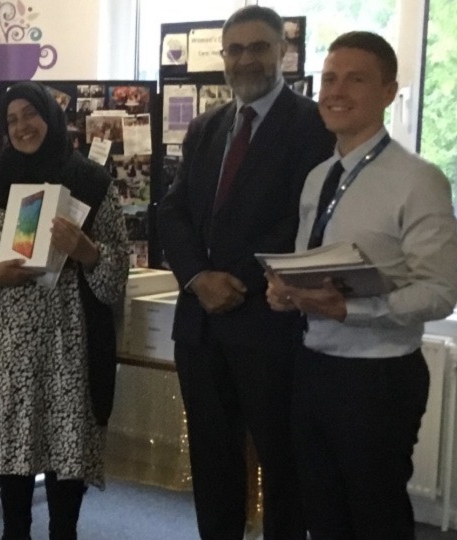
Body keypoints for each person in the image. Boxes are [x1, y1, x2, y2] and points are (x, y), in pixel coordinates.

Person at [266, 32, 457, 537]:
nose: (337, 90)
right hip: (311, 367)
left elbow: (439, 291)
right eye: (329, 78)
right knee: (322, 515)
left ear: (389, 91)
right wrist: (287, 292)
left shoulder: (419, 179)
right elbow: (317, 266)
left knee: (375, 519)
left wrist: (352, 311)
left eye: (356, 79)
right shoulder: (318, 177)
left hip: (377, 379)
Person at [156, 6, 334, 538]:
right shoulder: (208, 126)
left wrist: (238, 282)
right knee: (212, 465)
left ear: (283, 51)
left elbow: (304, 223)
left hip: (269, 326)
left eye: (257, 48)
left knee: (284, 467)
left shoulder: (314, 127)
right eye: (234, 50)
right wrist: (197, 279)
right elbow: (173, 210)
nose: (244, 60)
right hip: (202, 328)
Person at [0, 81, 128, 540]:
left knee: (66, 447)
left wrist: (87, 251)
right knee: (14, 448)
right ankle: (15, 532)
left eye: (30, 114)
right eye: (11, 120)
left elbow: (114, 281)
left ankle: (64, 532)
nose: (21, 126)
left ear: (51, 117)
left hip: (69, 345)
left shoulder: (92, 184)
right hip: (4, 346)